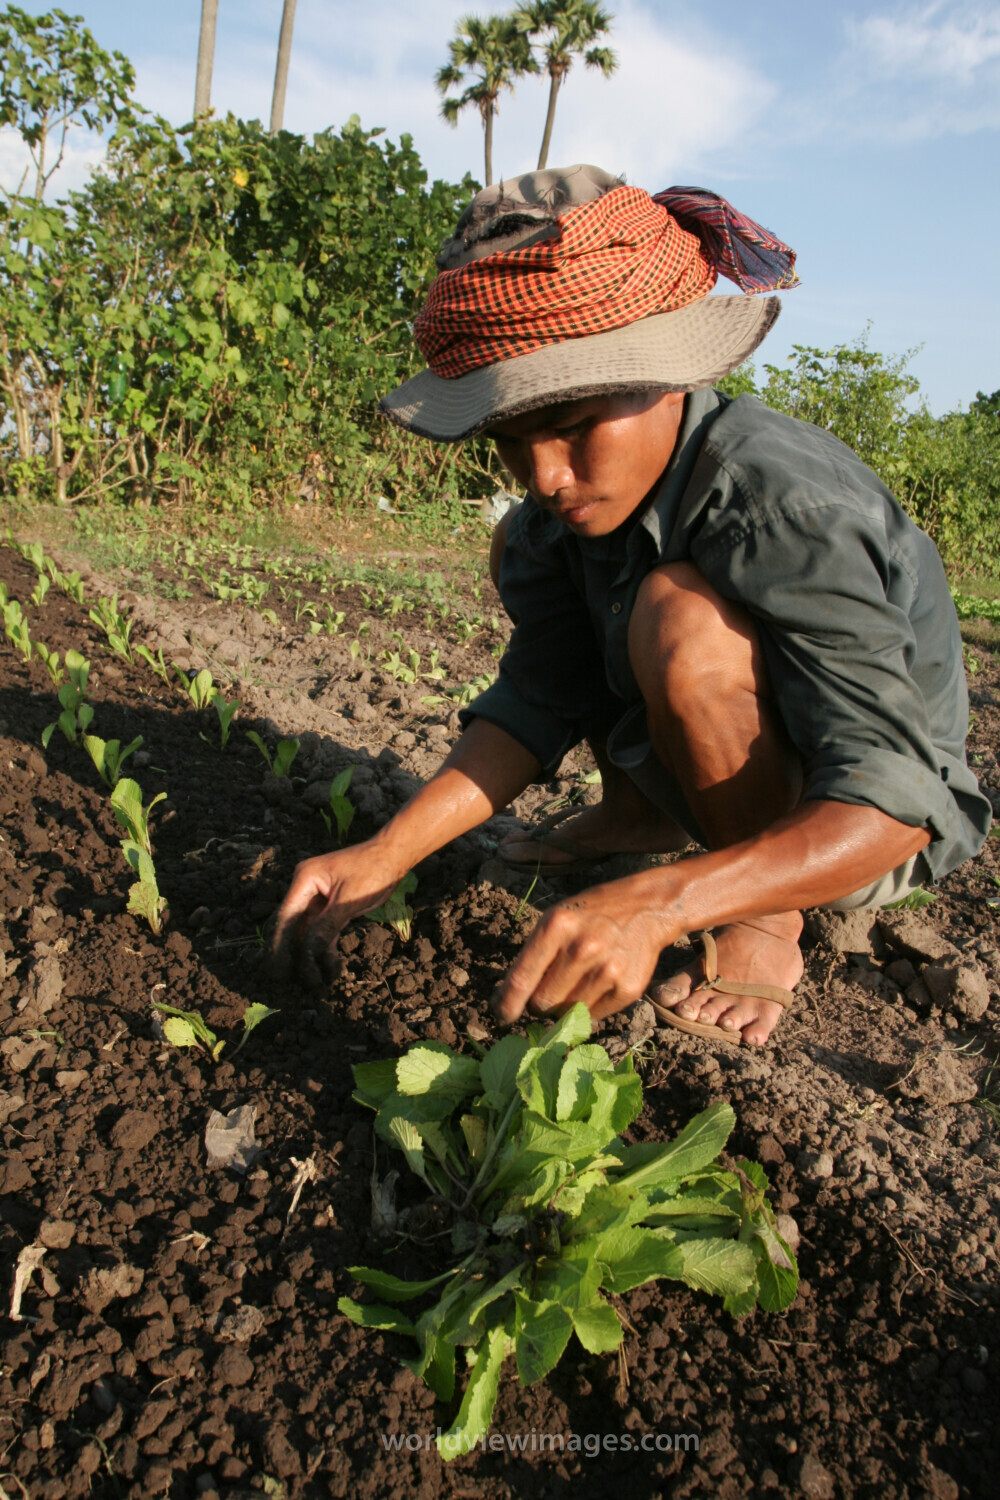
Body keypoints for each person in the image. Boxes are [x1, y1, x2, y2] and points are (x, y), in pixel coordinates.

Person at [270, 164, 989, 1046]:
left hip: (852, 821)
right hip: (749, 767)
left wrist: (662, 904)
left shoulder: (784, 505)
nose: (543, 475)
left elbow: (897, 801)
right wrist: (385, 855)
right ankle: (641, 813)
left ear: (668, 375)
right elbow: (538, 700)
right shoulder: (557, 511)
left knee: (677, 612)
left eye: (573, 424)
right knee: (546, 552)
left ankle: (764, 923)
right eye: (510, 440)